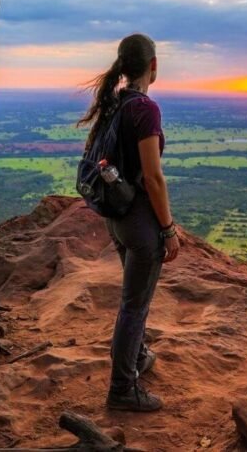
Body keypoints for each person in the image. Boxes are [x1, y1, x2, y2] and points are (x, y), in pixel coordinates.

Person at [77, 33, 180, 412]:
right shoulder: (145, 109)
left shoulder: (115, 103)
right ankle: (122, 388)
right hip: (139, 224)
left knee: (133, 299)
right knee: (134, 305)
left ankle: (137, 357)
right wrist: (168, 228)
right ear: (153, 66)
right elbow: (153, 177)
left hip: (115, 217)